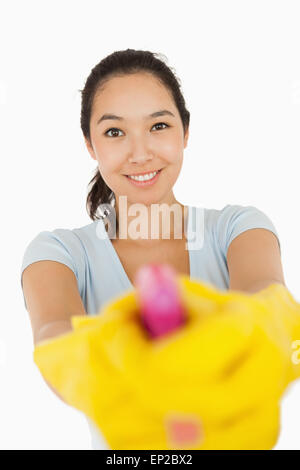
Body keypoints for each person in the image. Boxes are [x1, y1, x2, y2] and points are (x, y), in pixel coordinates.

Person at [20, 48, 283, 449]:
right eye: (114, 132)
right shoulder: (60, 253)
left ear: (186, 132)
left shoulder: (238, 229)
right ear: (90, 145)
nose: (140, 153)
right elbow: (55, 339)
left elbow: (266, 307)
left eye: (158, 126)